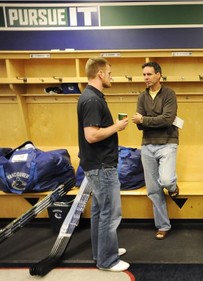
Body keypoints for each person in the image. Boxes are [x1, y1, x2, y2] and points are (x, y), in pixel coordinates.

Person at [77, 57, 129, 272]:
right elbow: (91, 135)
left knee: (100, 211)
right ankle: (107, 260)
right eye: (109, 73)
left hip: (96, 164)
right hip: (101, 165)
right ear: (99, 74)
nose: (111, 76)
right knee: (110, 213)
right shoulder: (92, 100)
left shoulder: (92, 97)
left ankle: (102, 252)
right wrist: (116, 126)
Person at [132, 61, 179, 240]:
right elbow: (138, 126)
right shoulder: (141, 97)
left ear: (159, 74)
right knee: (153, 189)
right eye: (144, 75)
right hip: (147, 145)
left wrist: (144, 120)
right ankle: (163, 226)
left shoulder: (169, 94)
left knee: (166, 180)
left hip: (168, 142)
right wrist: (145, 121)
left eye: (149, 74)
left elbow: (167, 119)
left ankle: (173, 188)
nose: (146, 78)